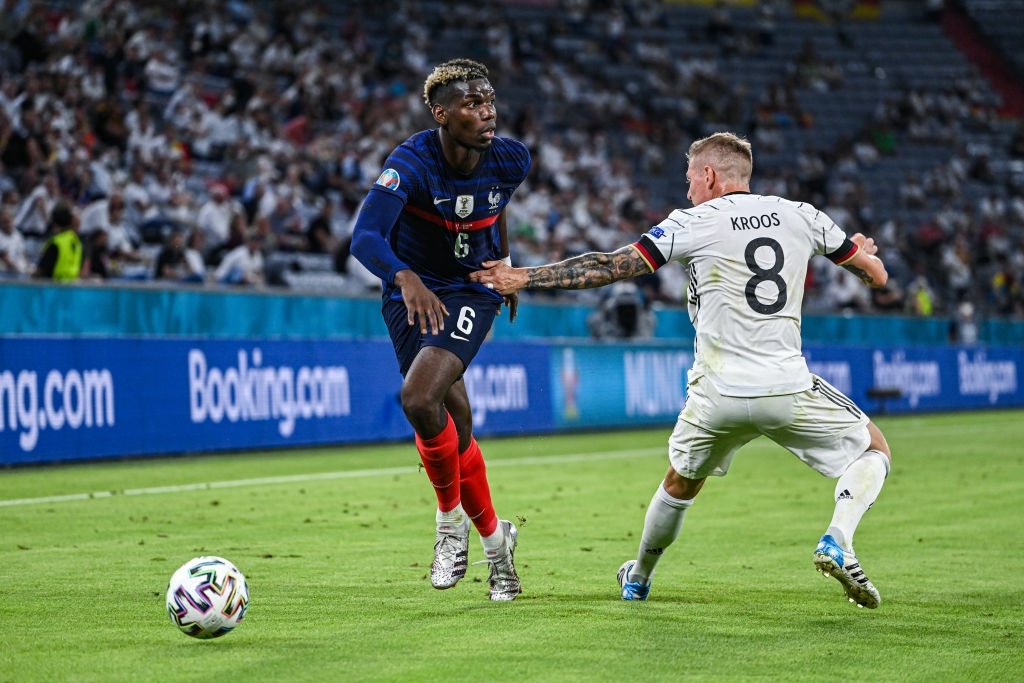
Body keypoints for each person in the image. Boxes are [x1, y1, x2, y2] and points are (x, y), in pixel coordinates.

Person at [470, 132, 893, 608]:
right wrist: (858, 252)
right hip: (786, 385)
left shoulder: (693, 221)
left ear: (710, 176)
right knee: (873, 448)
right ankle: (837, 537)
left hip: (717, 393)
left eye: (691, 178)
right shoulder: (804, 215)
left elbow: (612, 266)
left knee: (679, 483)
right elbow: (875, 276)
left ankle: (639, 578)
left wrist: (523, 276)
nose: (688, 189)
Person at [350, 58, 529, 601]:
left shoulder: (512, 158)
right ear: (442, 113)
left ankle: (449, 526)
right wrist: (405, 278)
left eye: (489, 100)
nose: (487, 111)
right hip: (411, 291)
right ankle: (498, 546)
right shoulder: (410, 162)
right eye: (472, 104)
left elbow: (493, 209)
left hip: (471, 288)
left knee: (419, 397)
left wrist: (501, 263)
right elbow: (364, 237)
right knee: (457, 422)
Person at [34, 203, 82, 281]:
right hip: (71, 288)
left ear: (55, 224)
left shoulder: (56, 243)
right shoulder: (76, 242)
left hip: (54, 288)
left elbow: (42, 270)